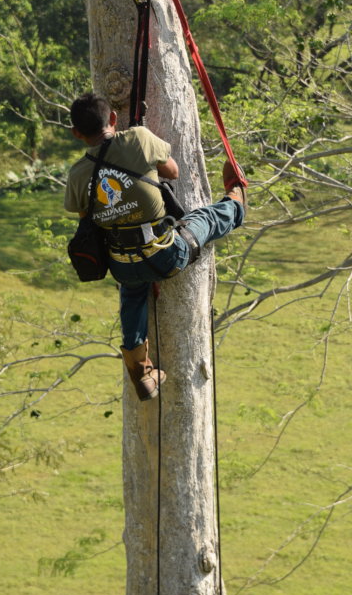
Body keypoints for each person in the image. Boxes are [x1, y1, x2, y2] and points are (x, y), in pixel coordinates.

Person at [64, 92, 246, 401]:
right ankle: (237, 201)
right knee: (204, 217)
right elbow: (172, 172)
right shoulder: (137, 138)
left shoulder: (78, 174)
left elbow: (87, 219)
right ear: (112, 119)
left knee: (132, 292)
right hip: (166, 254)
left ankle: (141, 372)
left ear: (76, 133)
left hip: (122, 263)